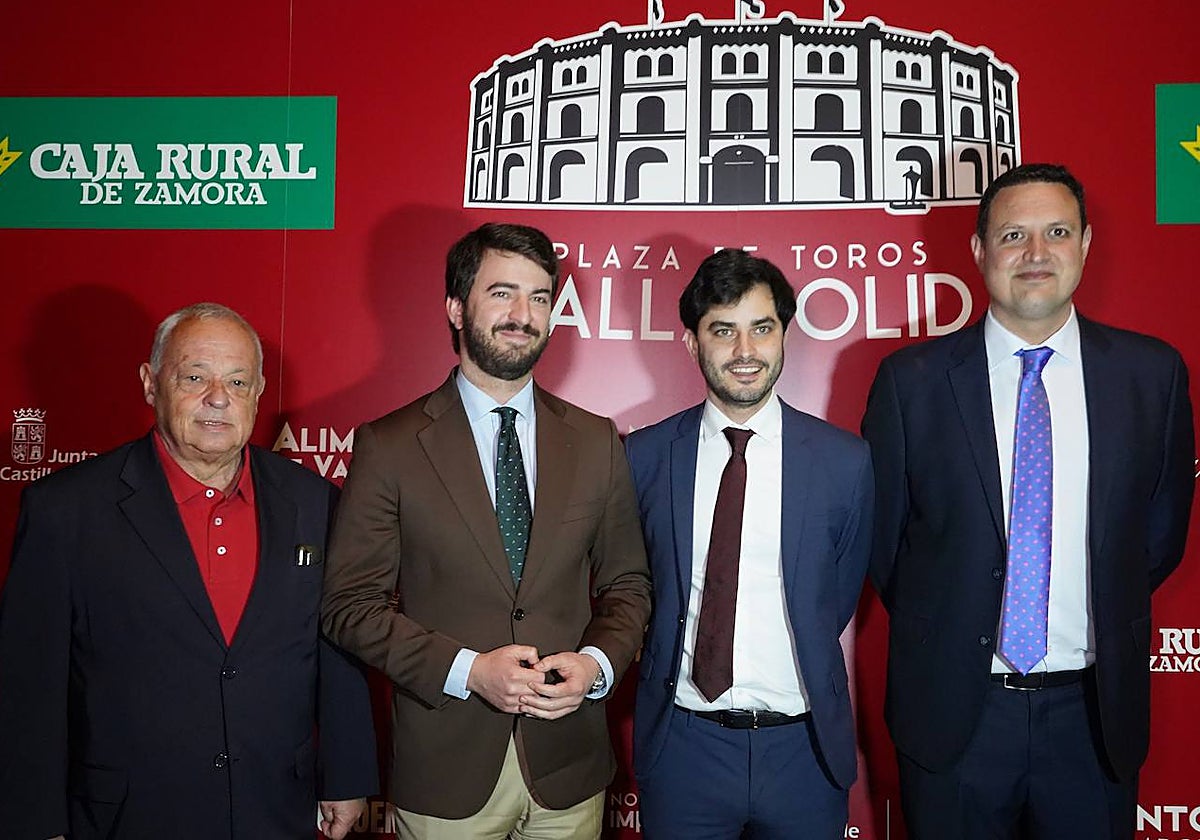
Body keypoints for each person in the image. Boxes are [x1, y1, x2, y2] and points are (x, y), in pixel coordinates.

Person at [862, 163, 1196, 838]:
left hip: (1093, 718)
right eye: (1014, 234)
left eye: (1057, 232)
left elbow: (1155, 541)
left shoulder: (1151, 376)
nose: (1036, 254)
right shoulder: (910, 383)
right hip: (954, 715)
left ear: (1085, 245)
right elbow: (887, 547)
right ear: (980, 251)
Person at [320, 222, 651, 839]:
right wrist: (467, 670)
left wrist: (596, 664)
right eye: (502, 293)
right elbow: (349, 607)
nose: (522, 314)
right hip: (446, 771)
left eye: (539, 297)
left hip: (569, 770)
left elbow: (628, 584)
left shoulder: (596, 440)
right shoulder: (389, 445)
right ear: (455, 306)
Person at [0, 302, 378, 840]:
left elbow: (336, 646)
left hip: (275, 809)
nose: (218, 398)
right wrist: (35, 823)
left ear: (259, 392)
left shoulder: (315, 503)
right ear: (150, 383)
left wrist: (344, 774)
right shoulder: (66, 510)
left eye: (238, 381)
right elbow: (27, 684)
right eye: (195, 377)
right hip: (125, 817)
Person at [625, 248, 873, 838]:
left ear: (784, 333)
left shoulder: (845, 462)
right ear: (691, 342)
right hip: (684, 747)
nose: (744, 352)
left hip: (805, 751)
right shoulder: (643, 456)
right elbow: (632, 586)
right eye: (722, 331)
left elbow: (835, 598)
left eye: (761, 329)